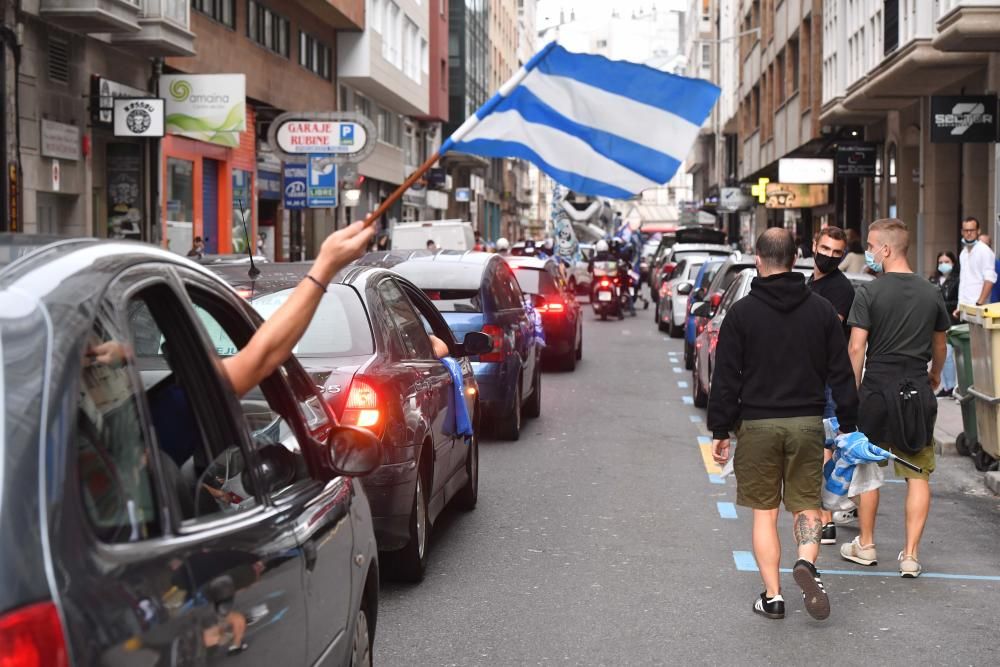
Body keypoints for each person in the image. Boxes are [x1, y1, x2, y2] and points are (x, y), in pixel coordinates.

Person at [709, 228, 858, 622]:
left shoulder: (742, 313)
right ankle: (807, 563)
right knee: (806, 505)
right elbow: (841, 372)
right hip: (807, 424)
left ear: (758, 258)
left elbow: (726, 378)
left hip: (757, 425)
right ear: (797, 259)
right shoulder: (822, 311)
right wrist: (848, 422)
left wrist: (720, 431)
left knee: (764, 512)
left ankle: (773, 596)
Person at [842, 218, 949, 578]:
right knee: (918, 473)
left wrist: (850, 393)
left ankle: (867, 544)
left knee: (868, 469)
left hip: (876, 389)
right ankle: (911, 555)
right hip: (916, 388)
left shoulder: (869, 293)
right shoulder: (931, 291)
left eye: (871, 246)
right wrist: (934, 375)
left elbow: (857, 348)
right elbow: (940, 345)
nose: (869, 252)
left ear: (886, 250)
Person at [806, 226, 855, 546]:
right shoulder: (810, 284)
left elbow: (825, 330)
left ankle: (825, 520)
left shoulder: (840, 288)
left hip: (827, 378)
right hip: (810, 376)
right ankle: (838, 508)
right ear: (814, 245)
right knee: (822, 445)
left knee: (826, 444)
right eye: (825, 249)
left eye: (838, 253)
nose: (830, 256)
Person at [931, 250, 960, 398]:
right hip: (936, 323)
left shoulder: (957, 280)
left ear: (953, 263)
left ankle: (951, 386)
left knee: (947, 354)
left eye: (946, 262)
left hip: (952, 322)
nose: (943, 265)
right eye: (940, 262)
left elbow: (958, 302)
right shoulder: (933, 280)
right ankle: (948, 386)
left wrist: (942, 305)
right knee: (941, 354)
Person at [957, 216, 996, 316]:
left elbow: (989, 280)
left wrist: (979, 303)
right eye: (966, 230)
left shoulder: (985, 251)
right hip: (965, 308)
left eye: (972, 230)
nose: (969, 233)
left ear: (978, 231)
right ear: (962, 232)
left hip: (979, 308)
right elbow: (964, 281)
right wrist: (959, 306)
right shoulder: (963, 253)